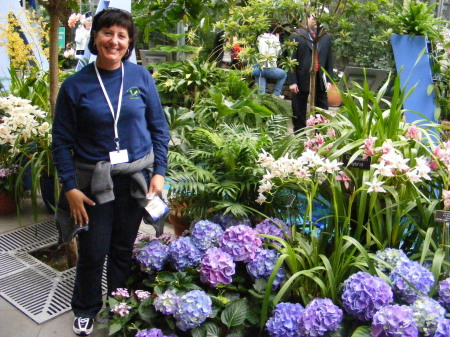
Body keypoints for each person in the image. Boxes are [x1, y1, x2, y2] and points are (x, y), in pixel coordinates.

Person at [52, 8, 169, 336]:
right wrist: (70, 187)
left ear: (129, 42)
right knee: (94, 250)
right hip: (93, 184)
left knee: (122, 247)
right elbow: (61, 142)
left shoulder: (141, 78)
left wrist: (159, 173)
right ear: (95, 37)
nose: (114, 41)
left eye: (121, 35)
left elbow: (159, 129)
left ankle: (121, 304)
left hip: (136, 180)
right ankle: (86, 307)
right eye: (107, 33)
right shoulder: (76, 86)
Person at [288, 14, 333, 131]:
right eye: (314, 19)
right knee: (299, 109)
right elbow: (289, 61)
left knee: (322, 108)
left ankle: (320, 136)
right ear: (307, 18)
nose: (316, 22)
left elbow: (329, 59)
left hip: (319, 78)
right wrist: (292, 81)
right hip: (301, 77)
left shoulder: (325, 37)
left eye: (319, 20)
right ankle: (299, 136)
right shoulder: (297, 36)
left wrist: (328, 80)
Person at [253, 24, 287, 97]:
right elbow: (279, 53)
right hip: (270, 68)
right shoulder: (275, 39)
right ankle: (276, 94)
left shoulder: (260, 37)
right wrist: (278, 39)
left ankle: (261, 102)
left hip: (259, 68)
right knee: (283, 75)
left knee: (261, 93)